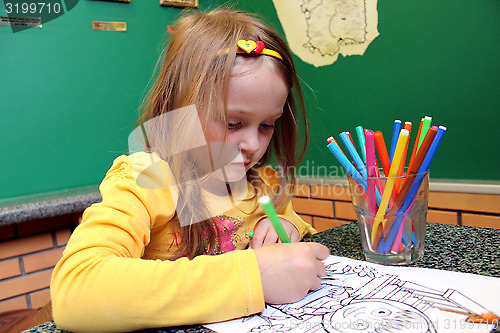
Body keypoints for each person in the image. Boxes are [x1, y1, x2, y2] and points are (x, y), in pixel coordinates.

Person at [51, 7, 330, 333]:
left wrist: (286, 226)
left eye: (267, 125)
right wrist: (251, 276)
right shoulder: (146, 179)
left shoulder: (262, 183)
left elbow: (295, 235)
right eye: (233, 123)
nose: (253, 144)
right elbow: (77, 290)